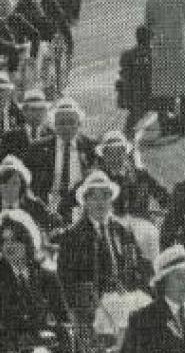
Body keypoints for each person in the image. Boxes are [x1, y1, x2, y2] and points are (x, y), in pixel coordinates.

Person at [0, 208, 71, 353]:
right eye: (4, 241)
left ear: (28, 243)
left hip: (36, 342)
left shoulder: (44, 275)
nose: (10, 246)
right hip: (6, 344)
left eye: (16, 241)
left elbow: (63, 315)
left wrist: (66, 341)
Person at [57, 169, 151, 330]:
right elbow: (66, 281)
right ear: (85, 202)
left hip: (126, 298)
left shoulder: (122, 231)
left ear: (111, 201)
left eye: (105, 196)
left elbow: (139, 265)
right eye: (94, 197)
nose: (100, 203)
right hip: (93, 306)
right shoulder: (72, 236)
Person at [66, 129, 168, 261]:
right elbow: (69, 200)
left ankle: (150, 273)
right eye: (111, 153)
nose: (116, 157)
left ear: (126, 154)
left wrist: (171, 208)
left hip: (139, 222)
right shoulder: (96, 177)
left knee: (150, 235)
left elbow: (163, 196)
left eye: (120, 152)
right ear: (103, 156)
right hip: (108, 223)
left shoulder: (140, 174)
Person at [144, 0, 185, 138]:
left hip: (160, 47)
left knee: (162, 87)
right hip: (179, 47)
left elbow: (148, 23)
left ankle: (165, 126)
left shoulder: (152, 0)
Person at [0, 154, 62, 238]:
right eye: (4, 182)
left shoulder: (35, 209)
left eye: (14, 183)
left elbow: (54, 226)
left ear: (22, 185)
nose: (9, 188)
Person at [117, 25, 152, 139]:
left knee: (133, 117)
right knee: (135, 117)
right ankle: (127, 137)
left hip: (130, 93)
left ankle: (127, 134)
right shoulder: (151, 54)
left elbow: (123, 73)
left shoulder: (127, 54)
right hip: (142, 93)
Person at [0, 69, 24, 136]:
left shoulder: (16, 110)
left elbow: (23, 130)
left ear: (9, 91)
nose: (0, 94)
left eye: (2, 90)